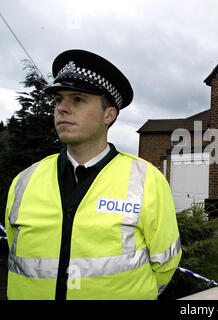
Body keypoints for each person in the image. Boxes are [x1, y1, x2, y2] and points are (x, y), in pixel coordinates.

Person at [4, 49, 181, 300]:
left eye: (77, 99)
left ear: (108, 115)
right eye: (58, 100)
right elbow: (14, 249)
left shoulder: (146, 180)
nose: (61, 109)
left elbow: (165, 265)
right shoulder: (24, 181)